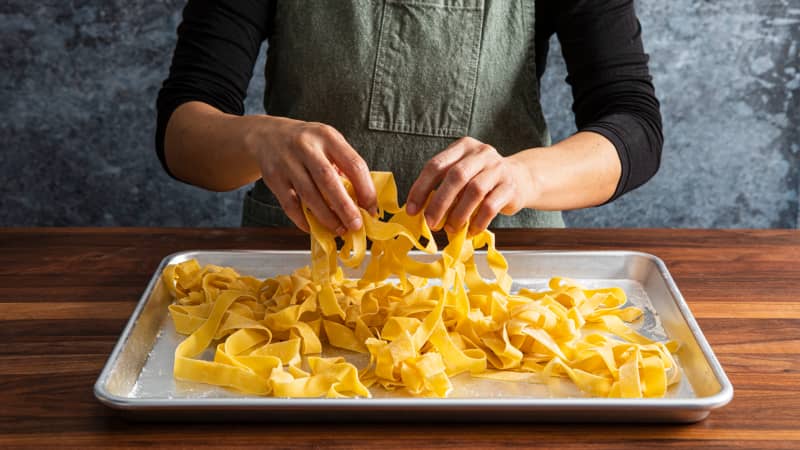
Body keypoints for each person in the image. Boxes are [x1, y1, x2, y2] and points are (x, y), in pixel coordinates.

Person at [156, 0, 662, 236]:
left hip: (505, 280)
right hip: (295, 274)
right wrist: (257, 139)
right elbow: (181, 134)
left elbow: (633, 124)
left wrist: (525, 176)